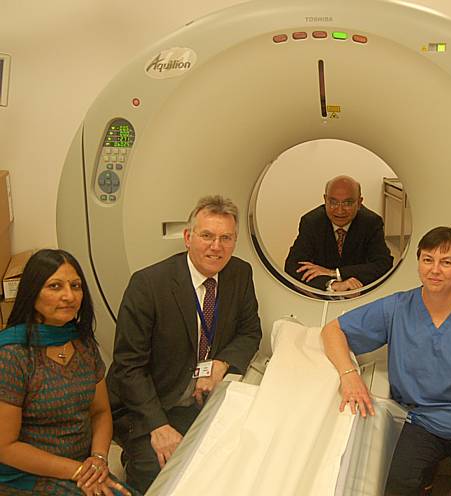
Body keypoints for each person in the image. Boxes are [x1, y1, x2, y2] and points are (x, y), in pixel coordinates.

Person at [322, 226, 451, 495]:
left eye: (446, 262)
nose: (434, 269)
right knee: (397, 488)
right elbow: (332, 330)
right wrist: (349, 375)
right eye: (427, 259)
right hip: (422, 421)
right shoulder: (398, 308)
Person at [107, 195, 262, 493]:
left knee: (235, 463)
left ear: (235, 241)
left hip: (201, 398)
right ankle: (134, 449)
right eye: (207, 236)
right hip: (151, 402)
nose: (216, 247)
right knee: (160, 473)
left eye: (225, 238)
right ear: (188, 238)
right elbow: (129, 367)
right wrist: (158, 427)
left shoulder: (239, 274)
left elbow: (249, 331)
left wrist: (220, 364)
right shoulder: (149, 285)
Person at [0, 249, 135, 496]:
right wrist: (78, 471)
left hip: (83, 467)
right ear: (32, 293)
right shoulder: (12, 354)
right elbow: (5, 447)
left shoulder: (84, 345)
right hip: (27, 475)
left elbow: (101, 412)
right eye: (55, 286)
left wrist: (98, 458)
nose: (69, 296)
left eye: (75, 286)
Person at [285, 175, 393, 292]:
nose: (340, 210)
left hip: (359, 292)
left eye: (348, 203)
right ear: (325, 199)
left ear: (359, 202)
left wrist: (335, 273)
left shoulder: (371, 223)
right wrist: (333, 284)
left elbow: (384, 265)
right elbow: (293, 266)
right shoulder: (311, 222)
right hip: (322, 294)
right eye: (333, 202)